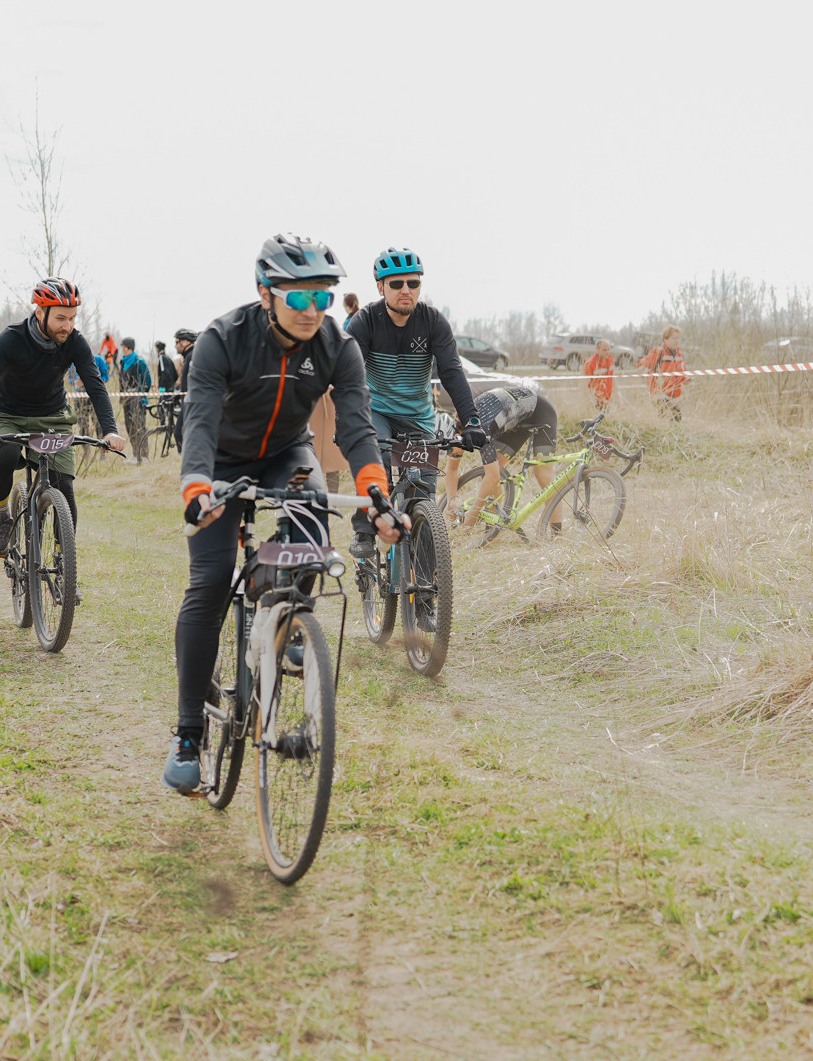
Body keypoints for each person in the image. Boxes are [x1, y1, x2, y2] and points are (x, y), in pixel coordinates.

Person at [163, 235, 401, 793]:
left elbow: (357, 428)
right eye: (298, 298)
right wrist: (196, 488)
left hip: (285, 455)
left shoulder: (338, 345)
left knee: (314, 516)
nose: (312, 310)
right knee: (211, 580)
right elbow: (197, 421)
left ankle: (288, 610)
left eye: (322, 297)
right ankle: (188, 734)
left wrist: (377, 494)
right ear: (266, 294)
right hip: (219, 458)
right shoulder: (222, 340)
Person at [0, 280, 126, 558]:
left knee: (65, 487)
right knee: (6, 456)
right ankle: (1, 516)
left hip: (52, 416)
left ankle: (63, 561)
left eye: (72, 318)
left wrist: (110, 430)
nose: (67, 326)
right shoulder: (11, 339)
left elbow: (95, 385)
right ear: (40, 313)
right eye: (60, 318)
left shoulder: (75, 342)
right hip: (6, 414)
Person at [346, 247, 483, 549]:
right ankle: (364, 530)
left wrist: (471, 420)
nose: (406, 290)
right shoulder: (365, 321)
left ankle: (422, 586)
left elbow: (452, 373)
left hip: (418, 416)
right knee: (376, 460)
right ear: (380, 287)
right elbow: (349, 376)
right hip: (376, 411)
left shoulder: (433, 322)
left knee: (422, 495)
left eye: (413, 283)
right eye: (396, 284)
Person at [457, 378, 564, 533]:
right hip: (517, 419)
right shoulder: (463, 421)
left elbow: (492, 476)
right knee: (493, 470)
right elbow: (453, 468)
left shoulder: (482, 427)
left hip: (541, 412)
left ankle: (557, 533)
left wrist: (473, 514)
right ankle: (495, 526)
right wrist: (451, 501)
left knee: (542, 473)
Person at [116, 336, 153, 462]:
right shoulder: (122, 362)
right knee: (129, 426)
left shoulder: (139, 362)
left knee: (140, 426)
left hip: (137, 399)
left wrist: (139, 393)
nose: (123, 350)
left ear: (130, 348)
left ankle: (144, 455)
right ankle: (135, 454)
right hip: (126, 399)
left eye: (124, 348)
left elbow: (147, 381)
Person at [644, 325, 688, 420]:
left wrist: (686, 379)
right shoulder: (658, 353)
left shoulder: (680, 354)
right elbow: (642, 366)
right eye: (674, 338)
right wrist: (654, 385)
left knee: (677, 422)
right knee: (663, 422)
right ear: (665, 339)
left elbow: (683, 372)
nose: (677, 341)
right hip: (661, 396)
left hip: (676, 395)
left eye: (678, 338)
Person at [583, 339, 617, 410]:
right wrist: (590, 402)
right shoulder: (590, 364)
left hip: (609, 400)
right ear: (597, 350)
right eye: (604, 350)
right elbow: (586, 385)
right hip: (596, 401)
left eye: (608, 349)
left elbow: (613, 379)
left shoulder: (610, 361)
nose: (607, 352)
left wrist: (617, 396)